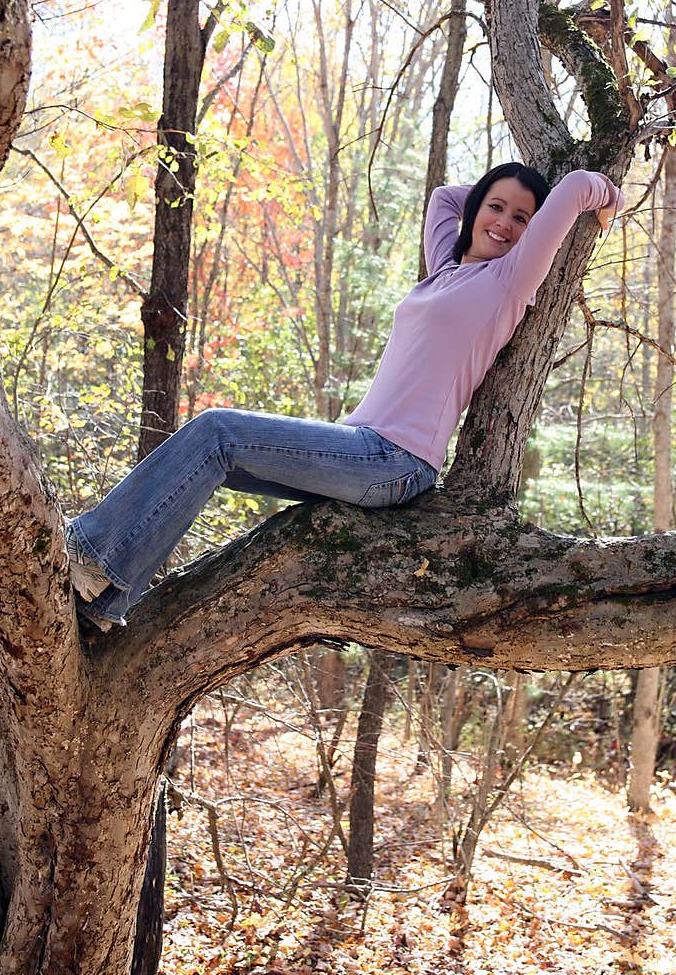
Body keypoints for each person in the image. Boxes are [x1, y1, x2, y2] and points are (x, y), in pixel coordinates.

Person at [67, 163, 623, 628]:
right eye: (495, 206)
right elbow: (444, 197)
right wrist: (487, 195)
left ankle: (92, 555)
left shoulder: (508, 284)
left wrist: (606, 200)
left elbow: (575, 186)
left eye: (522, 218)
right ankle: (105, 602)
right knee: (213, 458)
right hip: (360, 448)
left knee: (218, 431)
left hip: (394, 460)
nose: (504, 223)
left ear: (534, 235)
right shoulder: (445, 272)